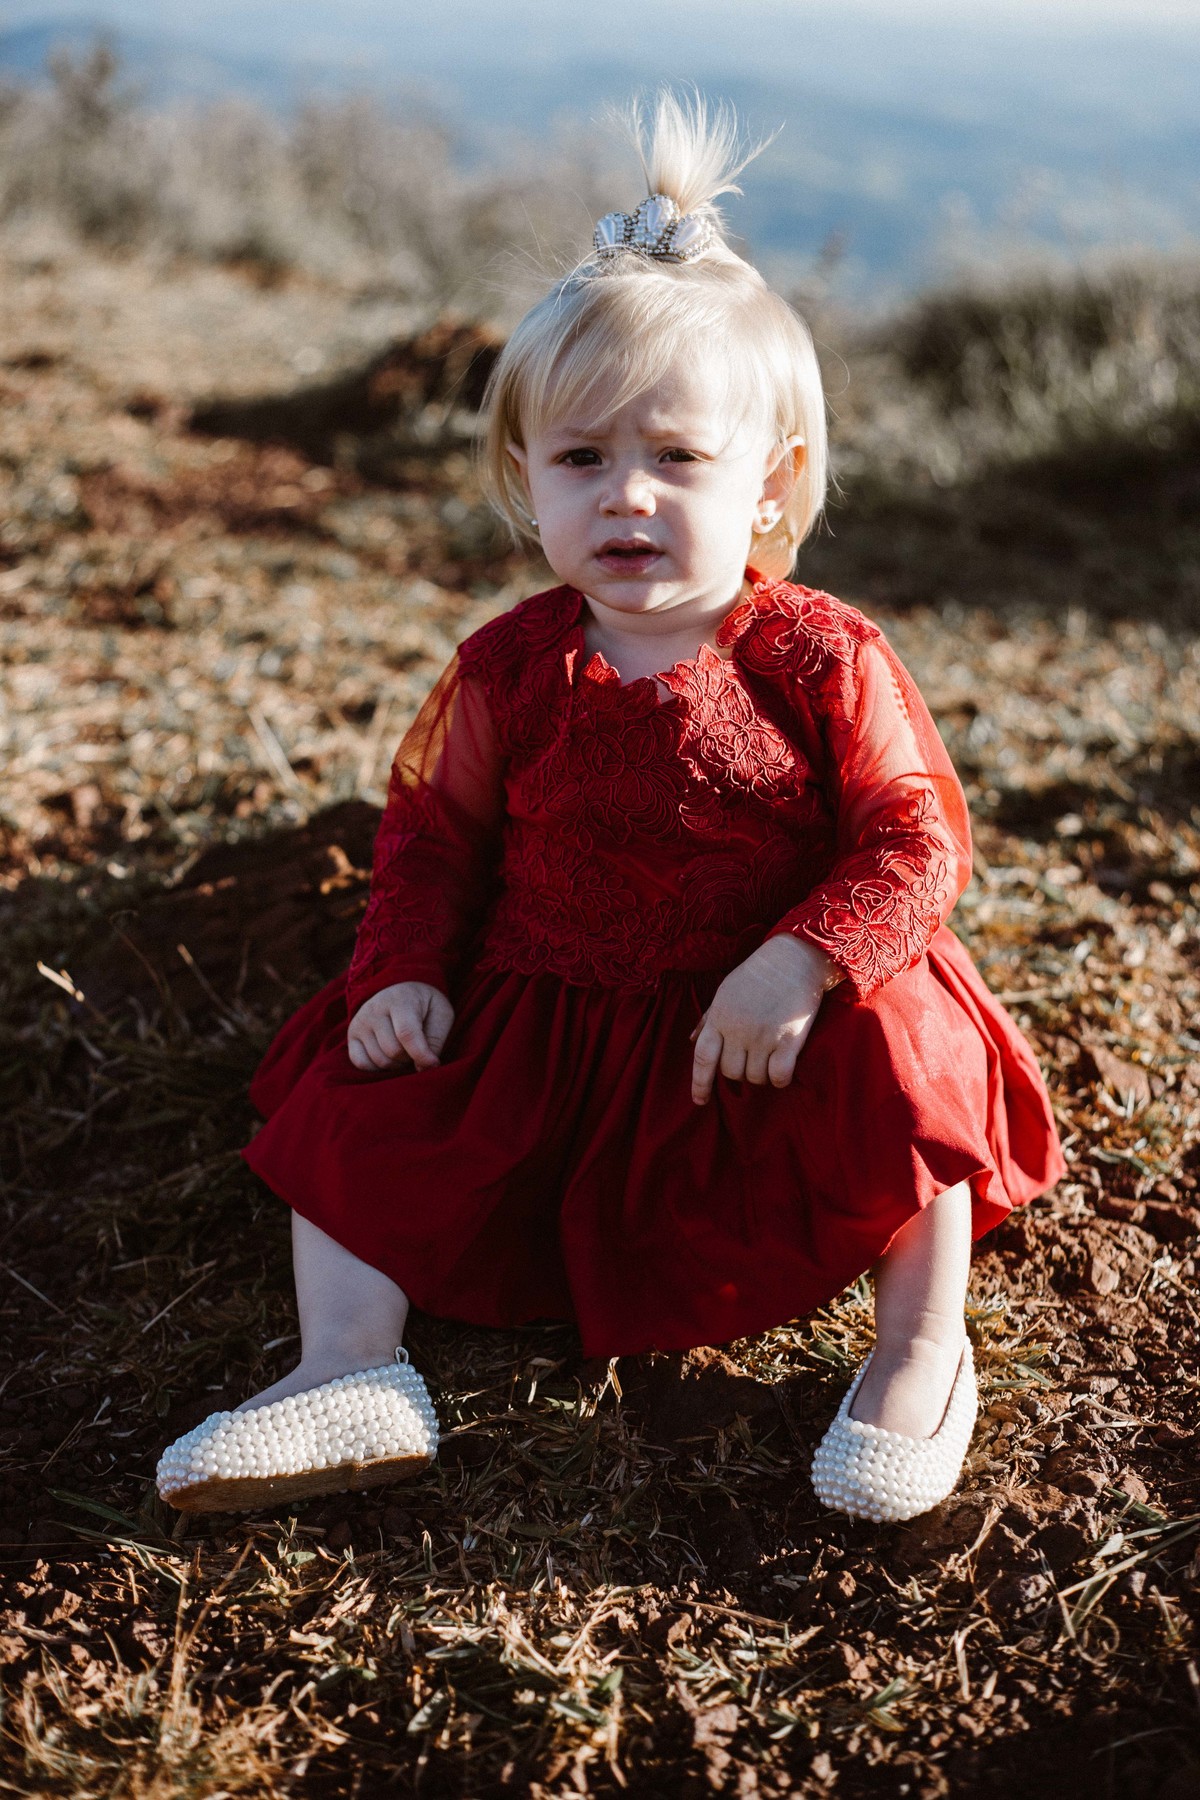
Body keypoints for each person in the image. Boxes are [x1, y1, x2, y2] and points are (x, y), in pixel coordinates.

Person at [156, 92, 1065, 1524]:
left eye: (678, 460)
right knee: (353, 1097)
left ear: (771, 485)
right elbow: (434, 842)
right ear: (525, 480)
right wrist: (400, 974)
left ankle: (918, 1350)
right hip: (557, 1021)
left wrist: (800, 962)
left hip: (762, 1033)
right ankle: (346, 1368)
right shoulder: (512, 664)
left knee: (910, 1054)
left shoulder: (816, 653)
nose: (626, 495)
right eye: (581, 459)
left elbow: (912, 836)